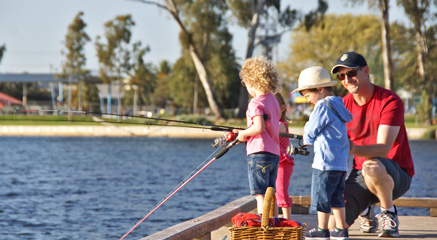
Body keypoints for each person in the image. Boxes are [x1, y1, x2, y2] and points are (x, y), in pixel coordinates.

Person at [331, 51, 415, 237]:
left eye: (352, 73)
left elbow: (383, 149)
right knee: (335, 225)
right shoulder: (341, 105)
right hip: (360, 174)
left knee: (372, 165)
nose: (347, 79)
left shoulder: (390, 101)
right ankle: (366, 210)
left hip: (395, 173)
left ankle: (388, 213)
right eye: (341, 76)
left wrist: (350, 148)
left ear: (366, 71)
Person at [292, 66, 353, 240]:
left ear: (319, 89)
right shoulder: (338, 105)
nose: (308, 100)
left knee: (322, 198)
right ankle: (341, 230)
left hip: (324, 163)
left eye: (308, 96)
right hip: (341, 164)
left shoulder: (322, 106)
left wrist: (305, 136)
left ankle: (322, 229)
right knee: (337, 198)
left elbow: (310, 132)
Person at [235, 56, 281, 215]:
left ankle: (264, 228)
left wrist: (242, 134)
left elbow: (259, 127)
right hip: (274, 154)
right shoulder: (273, 101)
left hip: (259, 154)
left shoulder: (255, 103)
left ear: (251, 82)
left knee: (260, 195)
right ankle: (274, 224)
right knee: (271, 194)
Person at [274, 92, 295, 220]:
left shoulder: (281, 124)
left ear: (282, 108)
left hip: (283, 162)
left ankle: (288, 221)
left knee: (281, 192)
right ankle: (275, 219)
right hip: (275, 162)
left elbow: (266, 129)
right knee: (275, 193)